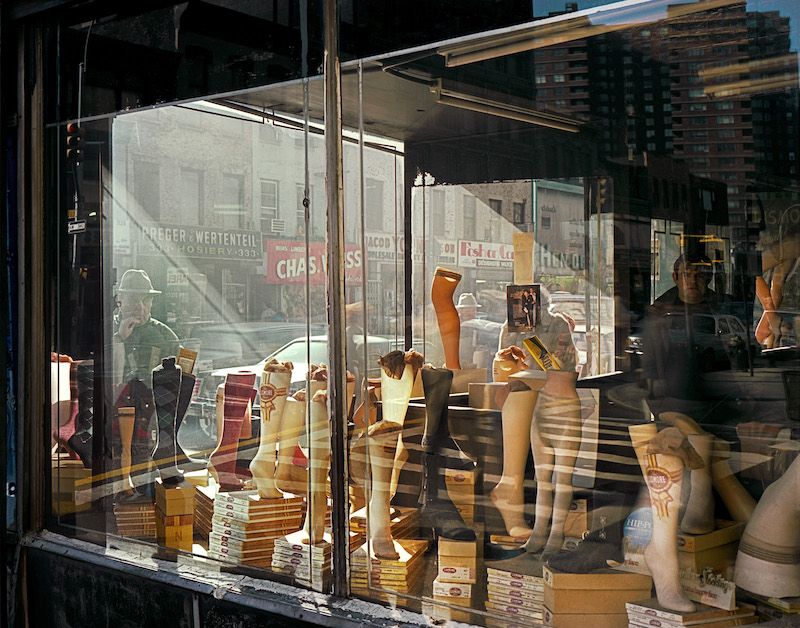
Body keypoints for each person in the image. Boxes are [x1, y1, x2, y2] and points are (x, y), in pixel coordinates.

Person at [641, 253, 724, 421]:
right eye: (687, 274)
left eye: (700, 275)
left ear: (709, 278)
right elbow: (650, 360)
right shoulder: (659, 312)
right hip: (673, 399)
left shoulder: (723, 307)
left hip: (718, 397)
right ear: (675, 277)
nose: (693, 281)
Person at [113, 269, 180, 386]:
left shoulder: (165, 335)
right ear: (120, 299)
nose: (140, 307)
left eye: (146, 300)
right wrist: (119, 338)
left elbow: (178, 379)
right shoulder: (106, 329)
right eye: (133, 299)